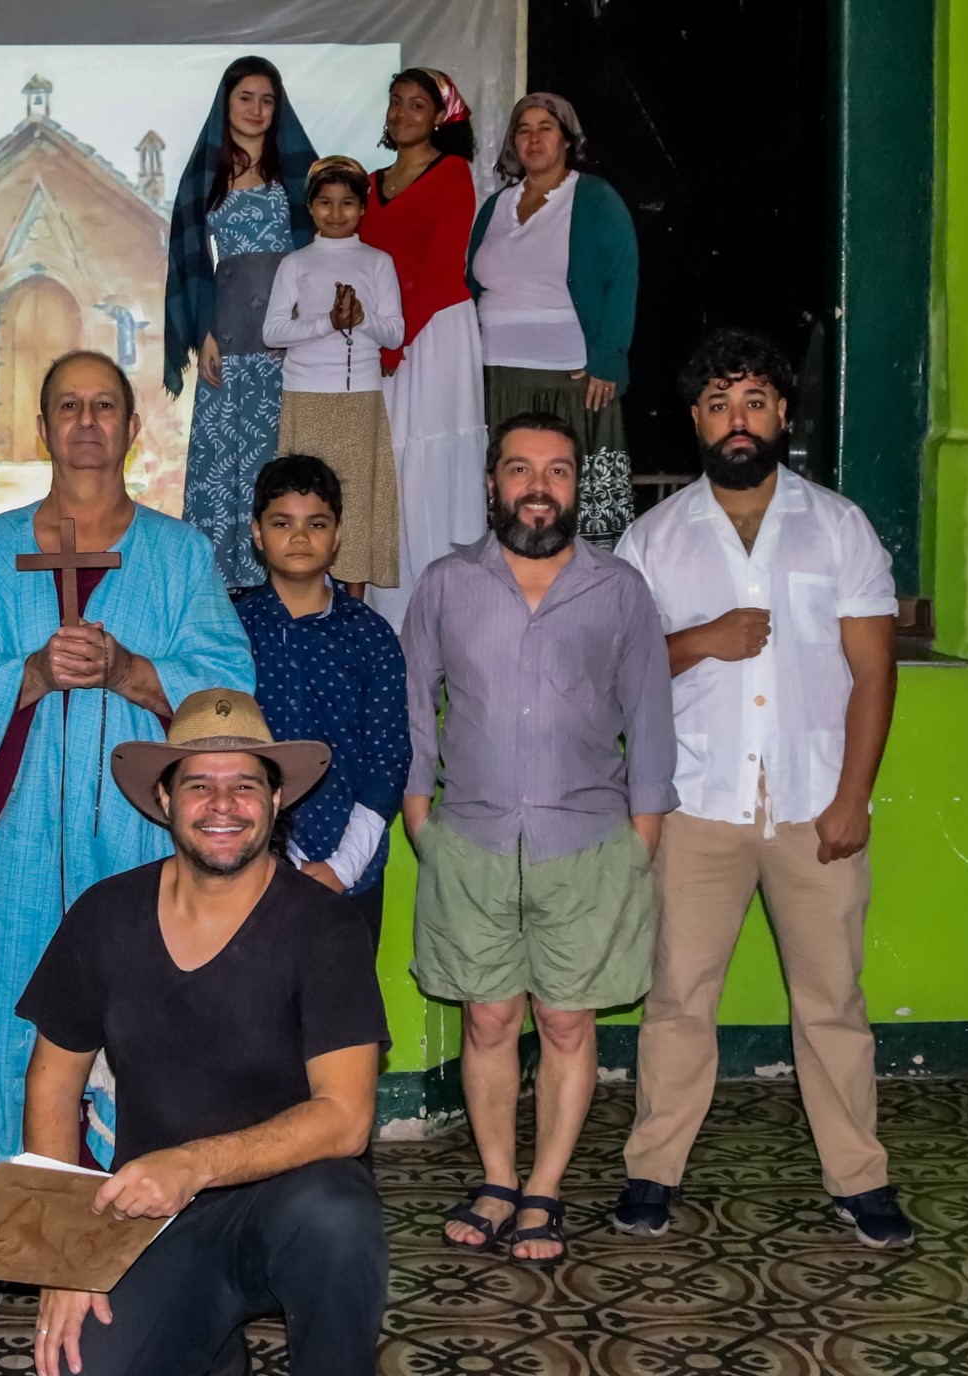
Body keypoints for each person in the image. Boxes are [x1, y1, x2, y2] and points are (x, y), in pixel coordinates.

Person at [0, 350, 255, 1267]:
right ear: (44, 428)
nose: (89, 422)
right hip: (16, 846)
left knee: (145, 1030)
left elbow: (231, 685)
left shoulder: (180, 557)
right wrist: (26, 673)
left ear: (133, 429)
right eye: (69, 406)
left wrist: (136, 673)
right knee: (7, 1026)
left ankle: (140, 1224)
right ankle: (7, 1231)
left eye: (107, 405)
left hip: (135, 850)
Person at [612, 329, 914, 1249]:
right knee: (676, 1001)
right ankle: (652, 1173)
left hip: (814, 804)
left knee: (832, 1003)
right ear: (695, 420)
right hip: (697, 806)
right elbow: (619, 673)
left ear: (782, 414)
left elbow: (874, 671)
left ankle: (860, 1179)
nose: (735, 422)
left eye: (752, 403)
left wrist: (853, 796)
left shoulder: (840, 525)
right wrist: (703, 638)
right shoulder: (652, 538)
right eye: (716, 404)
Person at [19, 689, 387, 1376]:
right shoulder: (106, 915)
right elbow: (52, 1080)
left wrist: (192, 1165)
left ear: (277, 801)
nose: (223, 806)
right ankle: (211, 1347)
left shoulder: (325, 927)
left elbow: (346, 1120)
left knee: (340, 1217)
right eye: (199, 786)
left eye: (245, 785)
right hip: (151, 1214)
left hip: (296, 1205)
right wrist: (63, 1257)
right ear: (164, 798)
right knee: (81, 1367)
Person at [401, 410, 676, 1266]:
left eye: (557, 472)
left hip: (590, 844)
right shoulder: (446, 584)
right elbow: (415, 710)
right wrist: (421, 819)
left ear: (577, 486)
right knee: (488, 1020)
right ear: (492, 483)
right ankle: (494, 1180)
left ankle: (545, 1190)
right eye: (520, 470)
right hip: (471, 840)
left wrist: (642, 836)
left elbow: (651, 718)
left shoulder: (620, 591)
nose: (538, 488)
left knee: (564, 1023)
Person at [235, 455, 410, 941]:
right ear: (256, 532)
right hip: (245, 867)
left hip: (348, 873)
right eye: (281, 522)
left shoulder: (371, 637)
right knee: (250, 1013)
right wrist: (266, 857)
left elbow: (388, 759)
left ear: (337, 536)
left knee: (338, 1014)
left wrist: (342, 866)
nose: (299, 537)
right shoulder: (229, 630)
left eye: (316, 523)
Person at [165, 56, 317, 588]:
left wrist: (308, 319)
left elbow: (326, 251)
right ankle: (222, 596)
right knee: (221, 466)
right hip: (227, 338)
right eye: (245, 98)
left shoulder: (299, 168)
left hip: (288, 341)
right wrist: (202, 330)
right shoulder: (206, 170)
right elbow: (189, 260)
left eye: (267, 99)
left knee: (279, 460)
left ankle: (287, 585)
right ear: (226, 104)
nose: (256, 109)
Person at [468, 93, 638, 547]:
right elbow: (472, 286)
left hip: (573, 381)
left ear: (566, 138)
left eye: (546, 126)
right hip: (498, 380)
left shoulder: (595, 199)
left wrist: (608, 357)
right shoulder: (495, 207)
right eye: (524, 129)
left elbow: (622, 278)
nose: (534, 137)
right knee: (507, 508)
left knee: (574, 510)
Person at [359, 68, 487, 629]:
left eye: (417, 104)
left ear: (440, 116)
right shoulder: (366, 183)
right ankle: (392, 615)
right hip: (386, 337)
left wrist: (396, 340)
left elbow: (441, 270)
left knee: (431, 462)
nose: (403, 113)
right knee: (390, 468)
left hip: (434, 335)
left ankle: (446, 613)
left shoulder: (454, 172)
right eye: (395, 102)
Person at [263, 156, 404, 596]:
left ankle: (353, 612)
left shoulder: (378, 261)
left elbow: (395, 331)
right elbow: (273, 331)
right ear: (311, 207)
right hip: (305, 397)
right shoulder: (296, 263)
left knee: (355, 503)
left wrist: (360, 319)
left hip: (358, 398)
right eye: (325, 202)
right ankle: (299, 601)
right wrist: (328, 321)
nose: (336, 212)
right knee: (302, 501)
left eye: (347, 203)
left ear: (362, 209)